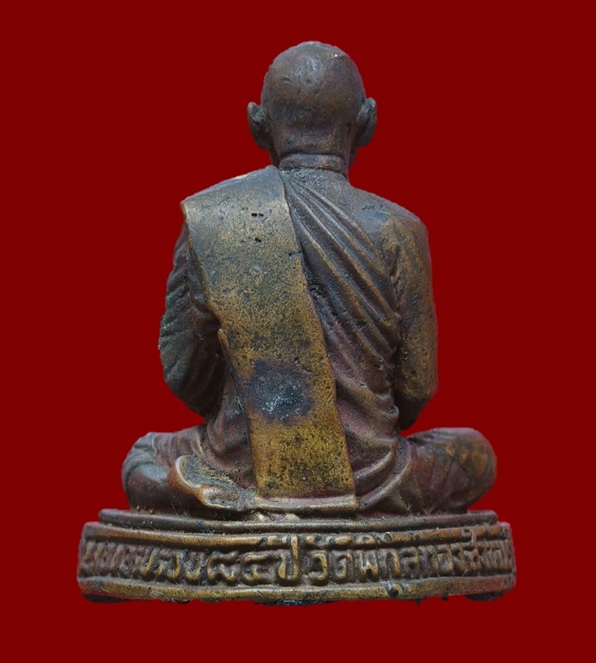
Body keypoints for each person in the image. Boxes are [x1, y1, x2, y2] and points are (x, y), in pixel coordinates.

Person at [122, 42, 496, 517]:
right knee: (475, 453)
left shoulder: (215, 220)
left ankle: (191, 488)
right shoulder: (398, 230)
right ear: (366, 122)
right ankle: (337, 501)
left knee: (142, 455)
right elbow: (416, 387)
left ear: (257, 124)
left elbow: (185, 377)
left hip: (239, 464)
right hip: (373, 477)